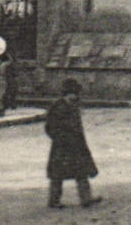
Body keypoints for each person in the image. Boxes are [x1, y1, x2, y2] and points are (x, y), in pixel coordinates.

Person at [44, 79, 99, 208]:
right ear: (67, 93)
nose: (77, 96)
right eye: (74, 93)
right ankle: (54, 200)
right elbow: (49, 127)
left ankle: (86, 198)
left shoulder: (74, 106)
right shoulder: (58, 107)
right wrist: (60, 139)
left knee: (82, 172)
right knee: (57, 175)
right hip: (62, 146)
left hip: (77, 145)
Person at [0, 47, 17, 118]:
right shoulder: (3, 65)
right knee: (1, 95)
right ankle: (0, 110)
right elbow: (10, 61)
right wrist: (7, 54)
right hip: (2, 80)